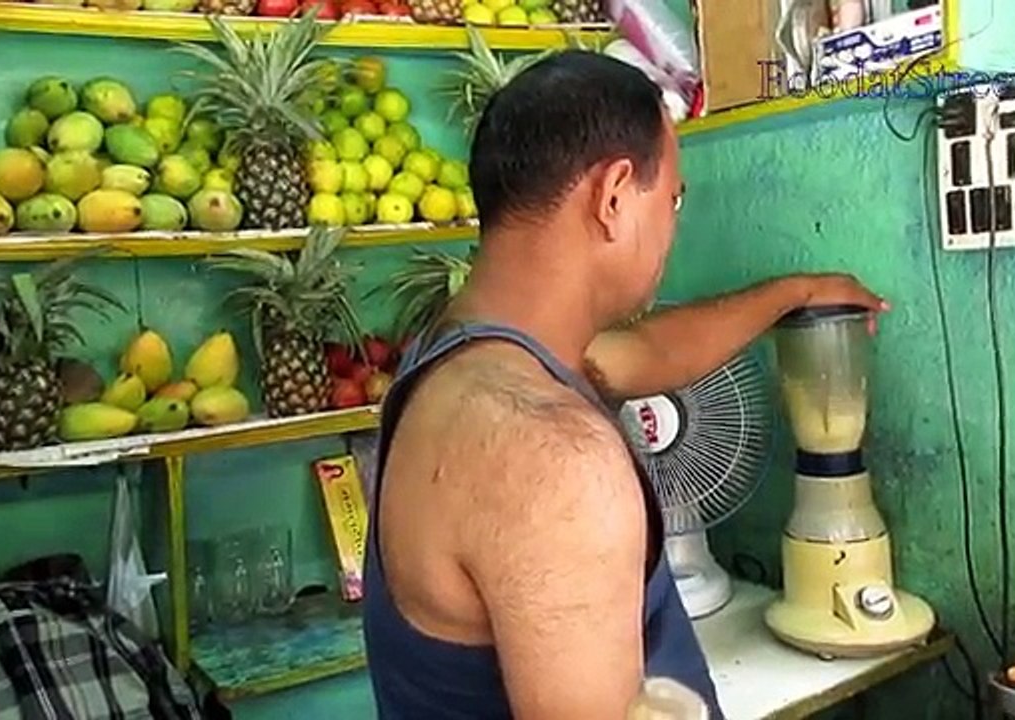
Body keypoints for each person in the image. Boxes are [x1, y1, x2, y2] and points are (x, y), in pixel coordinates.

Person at [361, 51, 888, 720]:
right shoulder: (554, 459)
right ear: (612, 197)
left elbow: (646, 352)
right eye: (670, 199)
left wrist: (798, 293)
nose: (671, 225)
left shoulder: (459, 362)